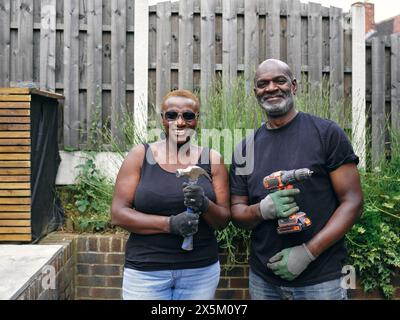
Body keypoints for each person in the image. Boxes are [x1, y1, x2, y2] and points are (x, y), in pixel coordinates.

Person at [229, 59, 363, 300]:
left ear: (294, 86)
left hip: (322, 278)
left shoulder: (327, 134)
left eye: (279, 80)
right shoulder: (244, 149)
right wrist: (262, 210)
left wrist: (308, 252)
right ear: (255, 92)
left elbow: (352, 202)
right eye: (263, 83)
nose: (271, 88)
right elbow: (236, 212)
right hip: (263, 279)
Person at [111, 89, 230, 300]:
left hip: (199, 271)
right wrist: (170, 224)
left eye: (188, 116)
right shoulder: (140, 155)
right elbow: (118, 214)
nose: (180, 122)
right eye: (172, 115)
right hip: (146, 271)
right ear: (162, 119)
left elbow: (222, 221)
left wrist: (204, 204)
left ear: (197, 120)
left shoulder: (212, 159)